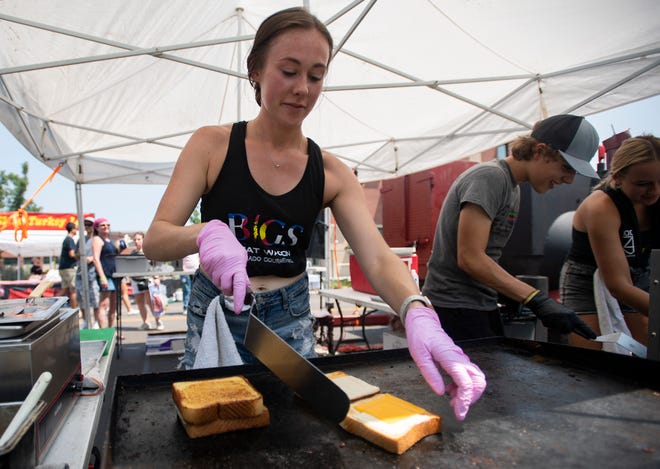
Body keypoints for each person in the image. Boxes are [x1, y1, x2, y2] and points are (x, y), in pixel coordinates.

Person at [144, 7, 485, 422]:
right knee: (214, 428)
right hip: (216, 309)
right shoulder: (211, 146)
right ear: (255, 70)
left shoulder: (332, 172)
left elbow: (376, 258)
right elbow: (156, 240)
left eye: (315, 75)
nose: (302, 88)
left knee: (299, 432)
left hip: (289, 320)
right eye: (288, 71)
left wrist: (415, 308)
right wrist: (205, 233)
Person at [422, 114, 599, 342]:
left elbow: (486, 257)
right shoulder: (490, 177)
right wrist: (535, 298)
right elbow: (470, 258)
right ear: (539, 151)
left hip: (477, 304)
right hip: (455, 308)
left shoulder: (512, 186)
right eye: (566, 167)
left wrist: (509, 293)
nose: (569, 180)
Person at [560, 135, 660, 318]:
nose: (655, 191)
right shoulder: (601, 206)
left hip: (640, 276)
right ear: (618, 177)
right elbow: (618, 285)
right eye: (643, 184)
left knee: (644, 344)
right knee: (593, 345)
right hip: (589, 283)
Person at [92, 217, 118, 328]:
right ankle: (104, 331)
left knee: (113, 305)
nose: (106, 227)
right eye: (103, 225)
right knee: (104, 304)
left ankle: (112, 331)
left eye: (108, 225)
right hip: (106, 275)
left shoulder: (110, 241)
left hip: (115, 275)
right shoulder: (97, 239)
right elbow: (96, 259)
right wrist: (102, 277)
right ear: (97, 228)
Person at [130, 232, 159, 330]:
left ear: (143, 240)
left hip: (147, 280)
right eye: (134, 240)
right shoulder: (132, 253)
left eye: (138, 239)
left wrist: (156, 277)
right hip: (136, 280)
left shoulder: (149, 251)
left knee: (151, 302)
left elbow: (155, 266)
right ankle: (145, 322)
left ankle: (158, 321)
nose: (136, 241)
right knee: (140, 303)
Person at [76, 216, 101, 328]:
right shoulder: (81, 240)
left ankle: (96, 321)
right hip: (81, 273)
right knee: (81, 299)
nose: (87, 227)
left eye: (89, 224)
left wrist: (92, 258)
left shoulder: (97, 239)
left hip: (93, 273)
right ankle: (86, 321)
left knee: (95, 299)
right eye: (85, 224)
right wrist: (80, 256)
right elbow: (75, 254)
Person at [58, 221, 78, 308]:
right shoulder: (70, 240)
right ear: (72, 229)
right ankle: (75, 310)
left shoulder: (66, 239)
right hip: (69, 268)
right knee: (74, 290)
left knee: (64, 290)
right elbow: (72, 254)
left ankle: (52, 307)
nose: (77, 230)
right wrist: (81, 256)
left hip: (63, 268)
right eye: (76, 228)